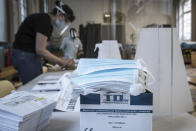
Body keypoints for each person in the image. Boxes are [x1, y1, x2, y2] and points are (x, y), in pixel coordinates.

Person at [11, 1, 75, 84]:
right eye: (65, 21)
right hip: (24, 54)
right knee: (33, 84)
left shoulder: (48, 24)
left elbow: (43, 48)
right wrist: (60, 61)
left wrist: (61, 60)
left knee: (38, 81)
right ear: (60, 15)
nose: (64, 25)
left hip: (31, 54)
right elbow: (40, 50)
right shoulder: (44, 20)